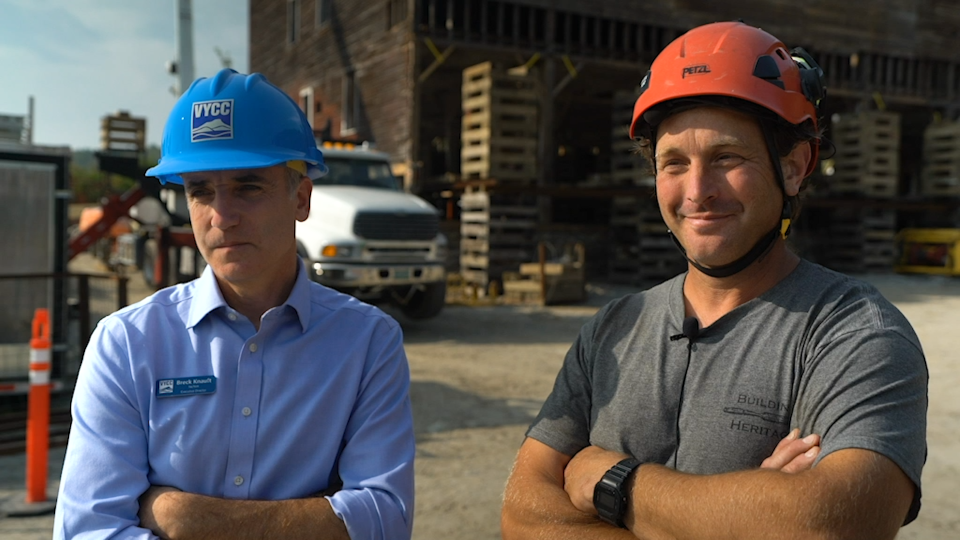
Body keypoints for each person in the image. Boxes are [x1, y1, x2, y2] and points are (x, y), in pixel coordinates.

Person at [502, 21, 927, 540]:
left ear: (794, 166)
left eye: (727, 158)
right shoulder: (611, 331)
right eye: (673, 163)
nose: (697, 191)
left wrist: (614, 483)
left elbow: (829, 523)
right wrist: (741, 519)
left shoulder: (854, 334)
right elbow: (522, 514)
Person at [53, 69, 415, 539]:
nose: (221, 215)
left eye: (249, 186)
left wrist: (187, 518)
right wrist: (316, 521)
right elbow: (88, 530)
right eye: (200, 191)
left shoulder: (368, 343)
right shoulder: (126, 344)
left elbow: (384, 520)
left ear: (301, 197)